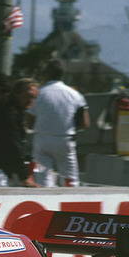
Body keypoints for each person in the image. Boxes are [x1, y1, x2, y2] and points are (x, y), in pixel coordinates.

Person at [26, 59, 90, 187]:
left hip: (41, 139)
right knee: (71, 181)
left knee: (42, 180)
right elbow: (85, 123)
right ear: (63, 74)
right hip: (65, 139)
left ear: (46, 74)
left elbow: (29, 123)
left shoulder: (38, 94)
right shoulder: (75, 95)